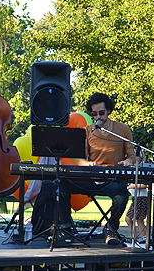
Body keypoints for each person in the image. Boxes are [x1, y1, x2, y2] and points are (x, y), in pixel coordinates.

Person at [57, 93, 136, 245]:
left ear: (109, 110)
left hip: (112, 179)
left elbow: (133, 156)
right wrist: (88, 164)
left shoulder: (123, 129)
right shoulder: (87, 130)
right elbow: (80, 159)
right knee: (61, 185)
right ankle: (66, 227)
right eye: (94, 114)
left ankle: (111, 228)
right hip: (91, 178)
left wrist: (128, 161)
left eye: (101, 113)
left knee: (121, 196)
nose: (98, 117)